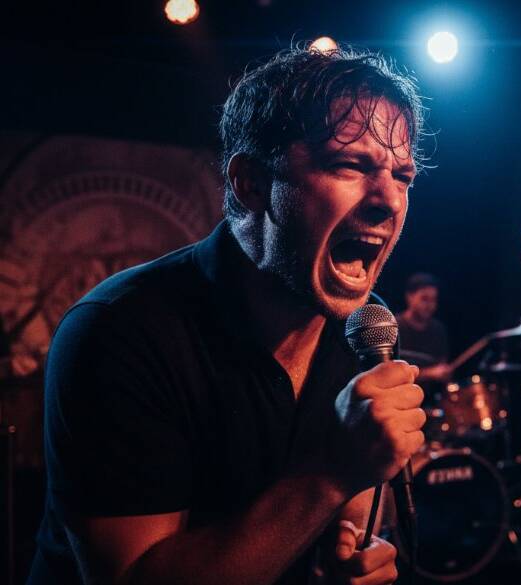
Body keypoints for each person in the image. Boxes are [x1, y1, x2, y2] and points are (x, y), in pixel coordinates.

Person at [28, 47, 428, 585]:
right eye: (348, 165)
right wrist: (326, 474)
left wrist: (348, 555)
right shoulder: (120, 329)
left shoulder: (365, 327)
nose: (388, 200)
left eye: (402, 176)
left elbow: (352, 521)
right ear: (251, 182)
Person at [396, 273, 450, 383]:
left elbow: (442, 368)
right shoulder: (394, 327)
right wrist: (428, 374)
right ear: (409, 297)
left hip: (430, 398)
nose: (430, 305)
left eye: (433, 300)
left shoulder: (438, 330)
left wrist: (446, 373)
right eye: (424, 299)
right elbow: (388, 374)